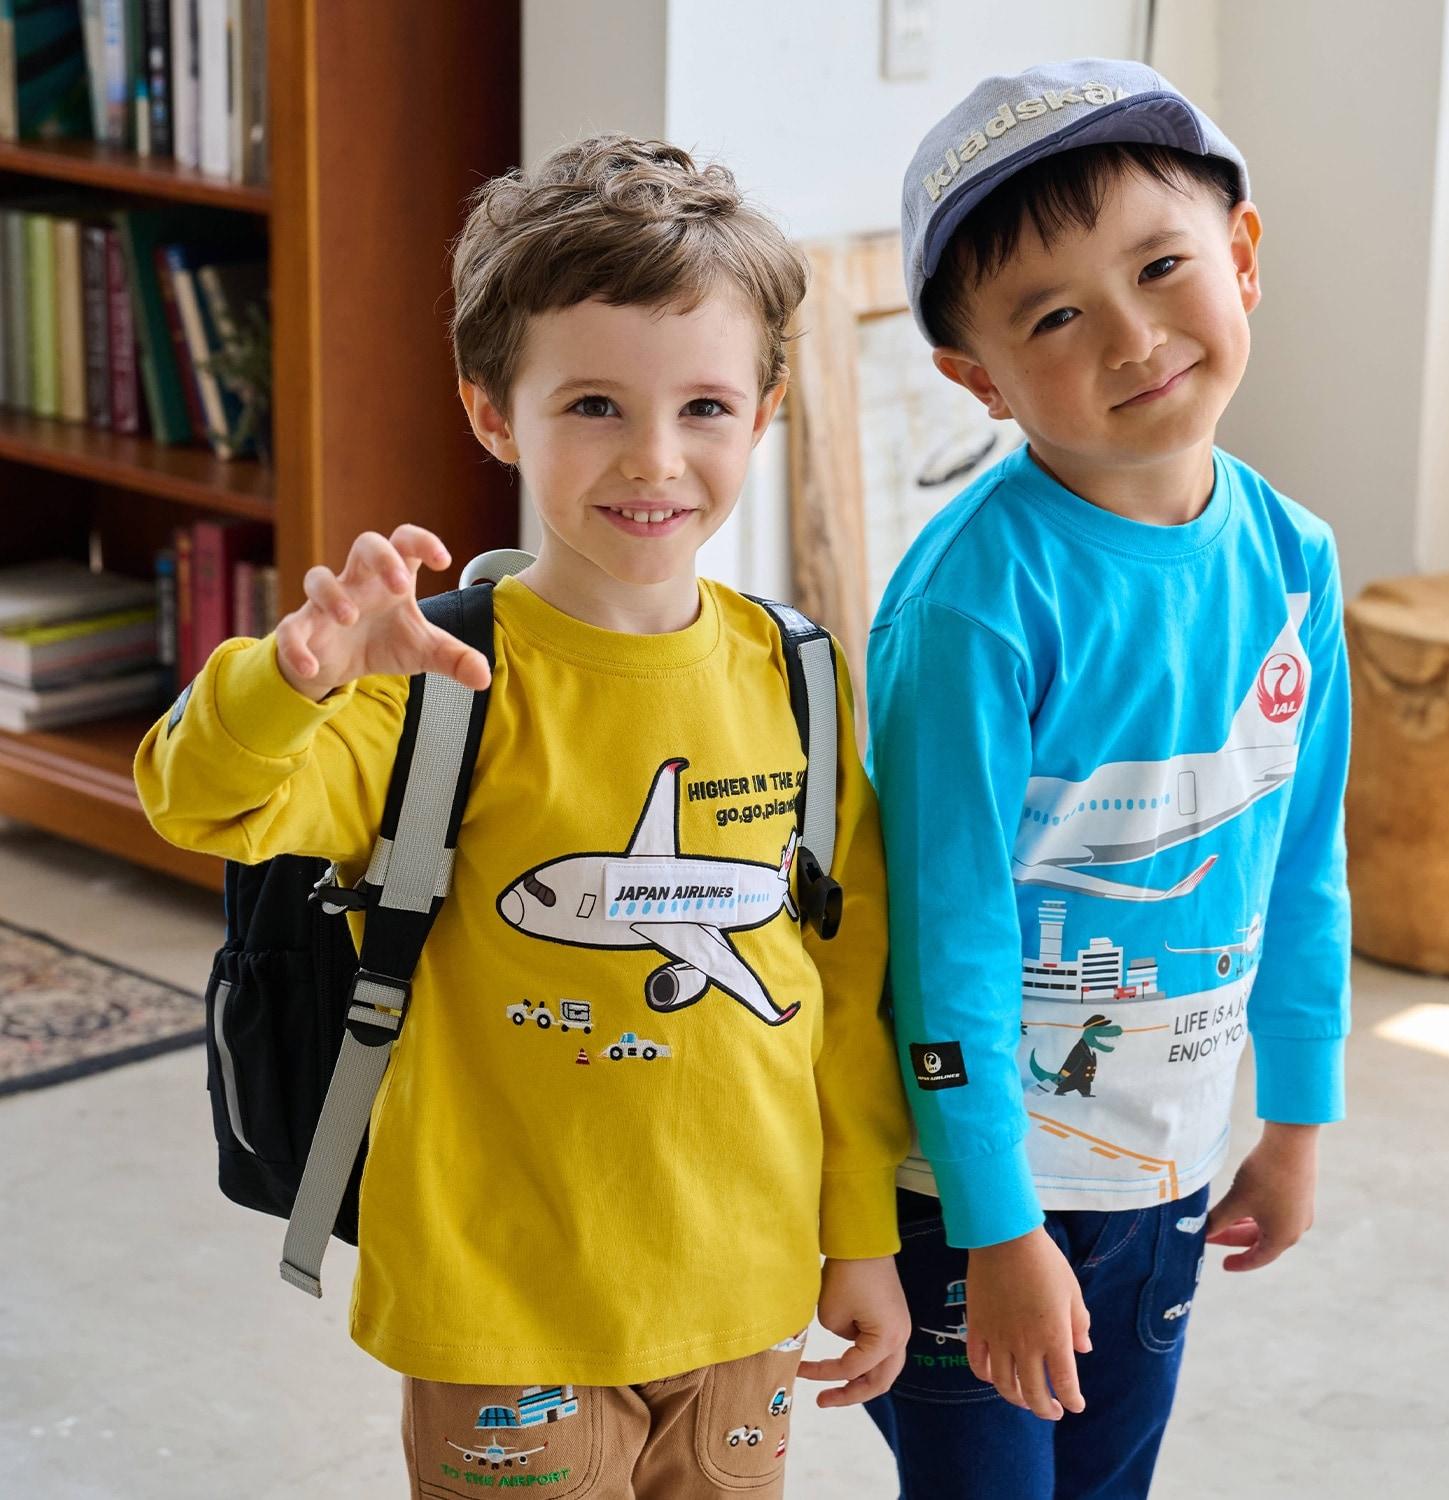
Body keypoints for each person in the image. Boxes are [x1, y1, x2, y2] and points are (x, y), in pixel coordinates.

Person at [136, 135, 911, 1499]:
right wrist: (291, 679)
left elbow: (843, 990)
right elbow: (199, 800)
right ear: (494, 412)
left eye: (705, 407)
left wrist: (860, 1230)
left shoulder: (801, 679)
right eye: (594, 404)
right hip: (499, 1306)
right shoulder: (433, 681)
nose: (655, 458)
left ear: (766, 413)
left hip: (745, 1292)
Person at [862, 59, 1351, 1499]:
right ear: (979, 377)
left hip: (1167, 1168)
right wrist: (995, 1226)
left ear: (1240, 255)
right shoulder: (971, 603)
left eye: (1160, 267)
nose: (1133, 337)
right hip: (965, 1194)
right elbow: (943, 939)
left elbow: (1303, 859)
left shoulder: (1293, 559)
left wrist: (1297, 1118)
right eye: (1055, 316)